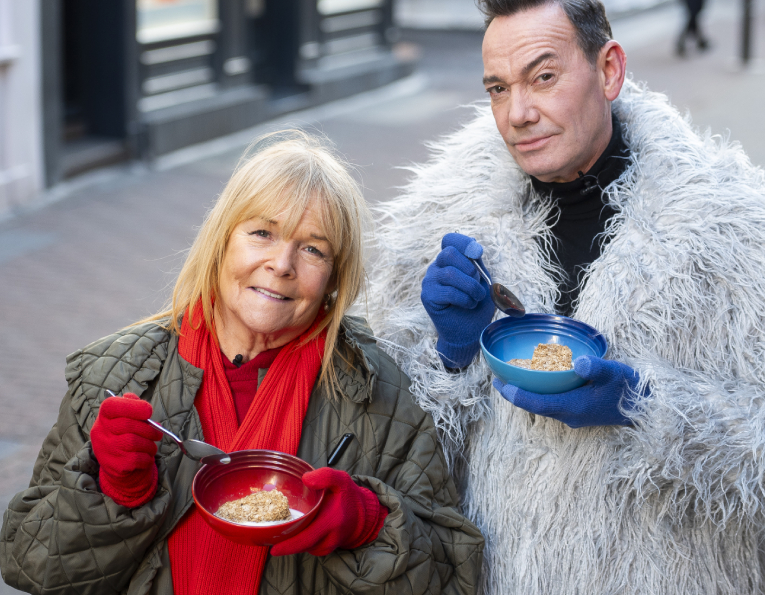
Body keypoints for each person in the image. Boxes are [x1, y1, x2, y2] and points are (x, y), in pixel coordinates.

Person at [365, 0, 765, 595]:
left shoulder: (734, 223)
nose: (518, 113)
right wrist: (452, 356)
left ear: (609, 70)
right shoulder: (441, 221)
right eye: (498, 88)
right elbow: (394, 451)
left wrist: (641, 405)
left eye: (544, 77)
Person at [0, 132, 483, 595]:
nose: (282, 264)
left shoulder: (380, 398)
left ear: (335, 279)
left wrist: (369, 526)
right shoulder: (113, 377)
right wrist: (112, 490)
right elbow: (31, 564)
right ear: (221, 242)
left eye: (313, 248)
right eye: (262, 233)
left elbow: (452, 577)